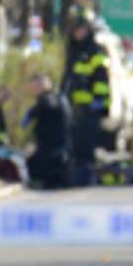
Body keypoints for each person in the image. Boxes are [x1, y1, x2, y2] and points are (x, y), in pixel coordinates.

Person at [61, 18, 111, 187]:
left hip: (90, 107)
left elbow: (101, 79)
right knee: (74, 142)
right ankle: (76, 174)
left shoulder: (96, 52)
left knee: (87, 142)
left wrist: (99, 101)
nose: (78, 34)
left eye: (82, 30)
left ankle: (87, 175)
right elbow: (68, 78)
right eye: (76, 31)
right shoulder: (73, 51)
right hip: (75, 106)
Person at [22, 74, 73, 191]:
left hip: (54, 149)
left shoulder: (51, 99)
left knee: (36, 166)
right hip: (48, 146)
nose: (32, 91)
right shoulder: (54, 98)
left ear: (42, 85)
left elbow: (49, 107)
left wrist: (33, 113)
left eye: (33, 87)